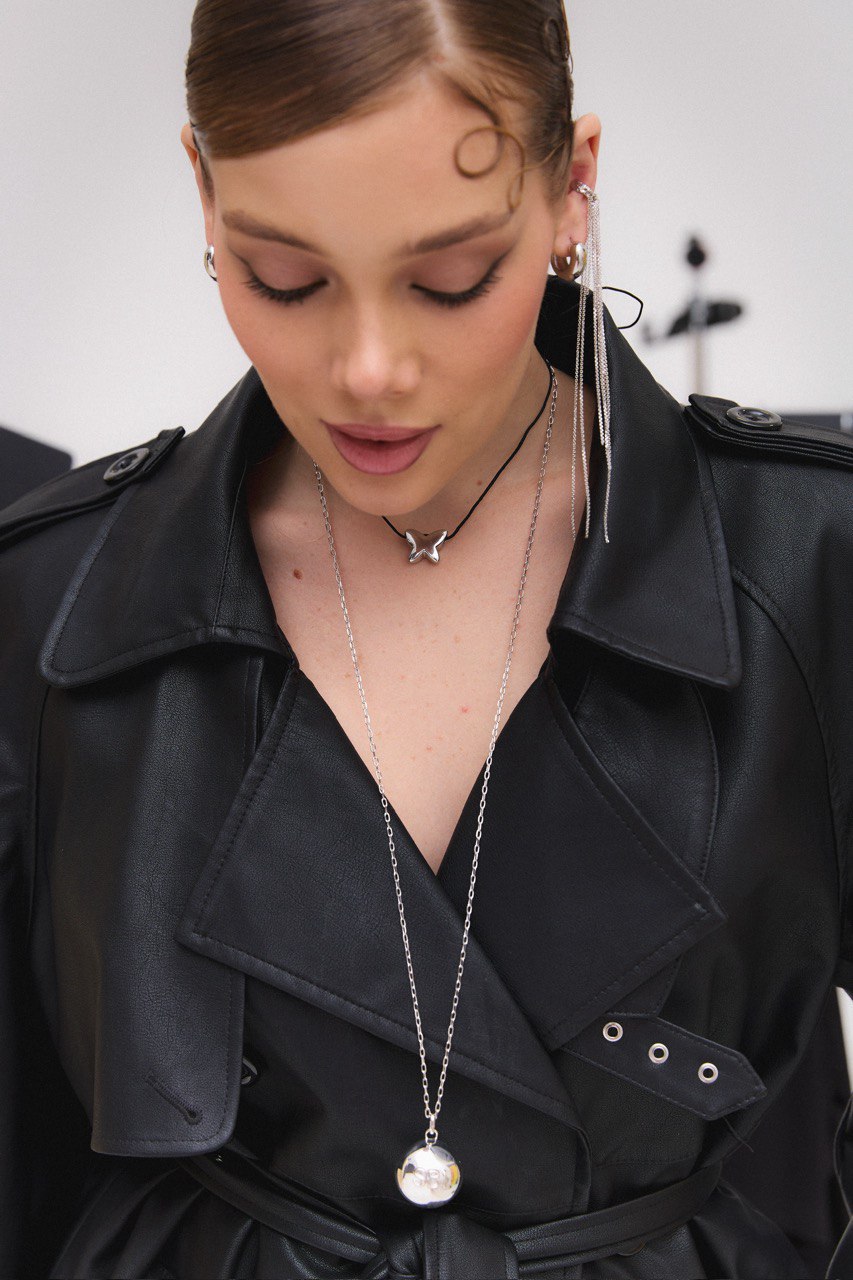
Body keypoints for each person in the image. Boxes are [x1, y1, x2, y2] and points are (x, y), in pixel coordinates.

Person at [1, 1, 852, 1276]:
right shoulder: (56, 603)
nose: (368, 369)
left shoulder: (805, 563)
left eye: (450, 278)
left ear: (571, 189)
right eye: (283, 277)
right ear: (204, 193)